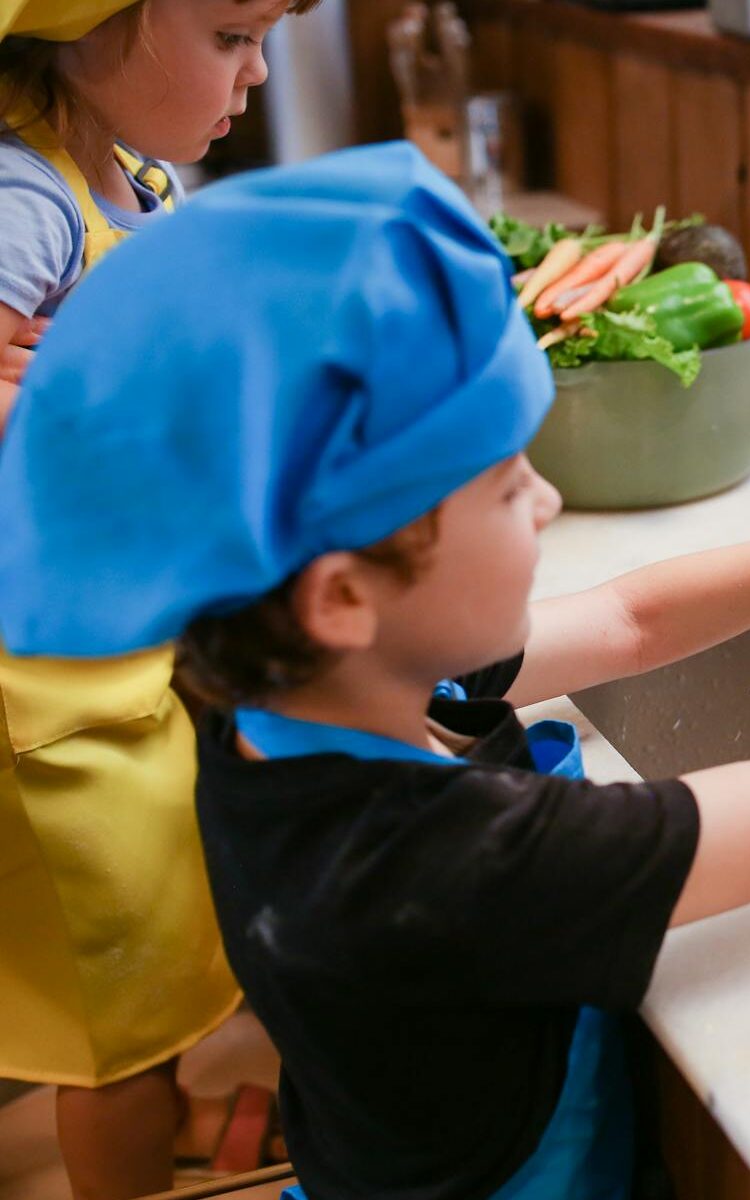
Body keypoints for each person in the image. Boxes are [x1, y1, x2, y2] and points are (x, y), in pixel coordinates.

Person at [0, 141, 750, 1199]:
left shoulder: (288, 692)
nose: (546, 501)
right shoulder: (441, 861)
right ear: (342, 592)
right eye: (506, 485)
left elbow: (628, 618)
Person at [0, 0, 307, 1193]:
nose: (259, 72)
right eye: (231, 34)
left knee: (153, 942)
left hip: (125, 655)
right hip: (52, 696)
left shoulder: (124, 171)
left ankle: (157, 1109)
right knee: (107, 1015)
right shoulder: (24, 201)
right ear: (85, 26)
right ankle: (119, 1148)